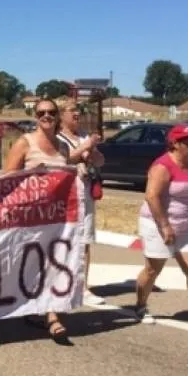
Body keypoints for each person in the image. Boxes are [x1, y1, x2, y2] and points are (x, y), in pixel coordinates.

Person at [3, 98, 98, 341]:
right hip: (28, 218)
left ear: (57, 116)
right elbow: (7, 180)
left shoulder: (63, 147)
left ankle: (52, 316)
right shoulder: (25, 143)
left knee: (55, 263)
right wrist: (35, 175)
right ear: (35, 116)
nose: (46, 116)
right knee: (29, 266)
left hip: (56, 219)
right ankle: (28, 307)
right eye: (41, 112)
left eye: (51, 112)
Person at [134, 124, 188, 324]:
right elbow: (152, 196)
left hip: (184, 226)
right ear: (175, 143)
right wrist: (165, 226)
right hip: (157, 225)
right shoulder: (162, 166)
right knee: (152, 270)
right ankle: (140, 304)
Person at [56, 98, 106, 306]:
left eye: (79, 110)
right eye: (72, 110)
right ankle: (61, 283)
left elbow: (101, 161)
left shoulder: (84, 136)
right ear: (61, 115)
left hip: (85, 193)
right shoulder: (56, 138)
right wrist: (85, 147)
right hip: (65, 195)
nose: (77, 114)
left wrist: (92, 150)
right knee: (63, 240)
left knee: (85, 241)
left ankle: (83, 286)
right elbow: (63, 159)